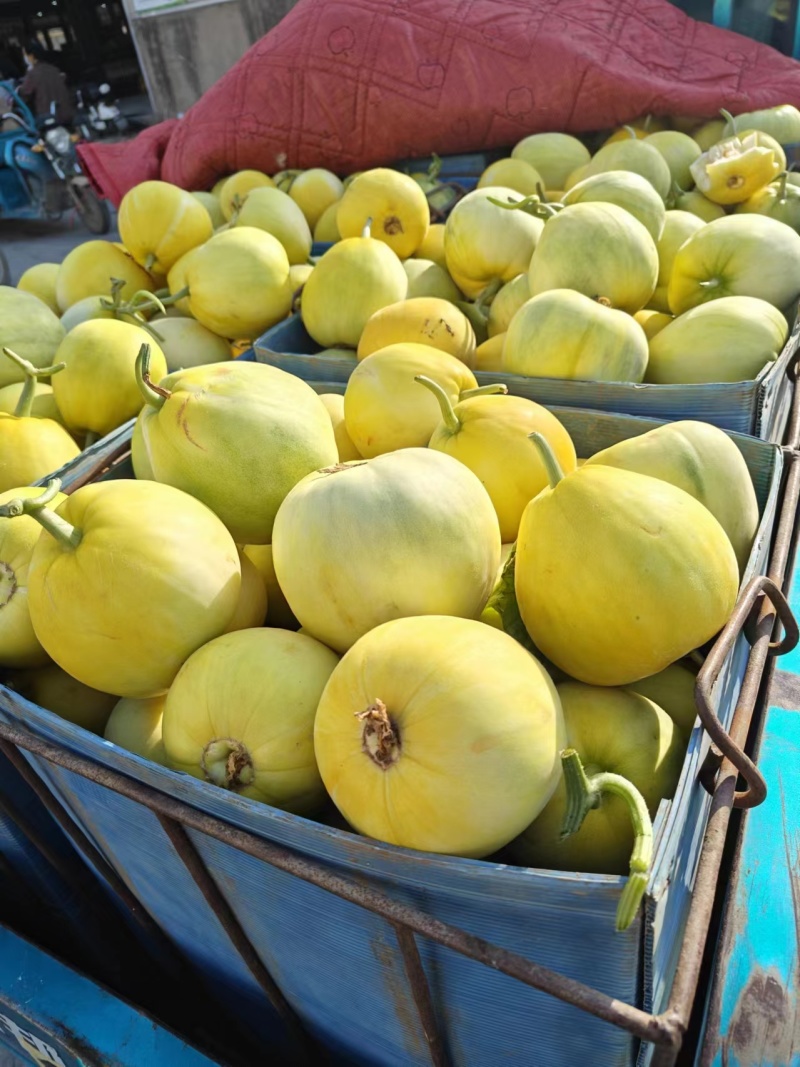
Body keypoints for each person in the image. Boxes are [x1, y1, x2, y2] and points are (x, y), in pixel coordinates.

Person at [19, 42, 75, 125]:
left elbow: (24, 93)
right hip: (66, 114)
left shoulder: (33, 73)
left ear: (31, 56)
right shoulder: (54, 69)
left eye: (25, 54)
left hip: (49, 118)